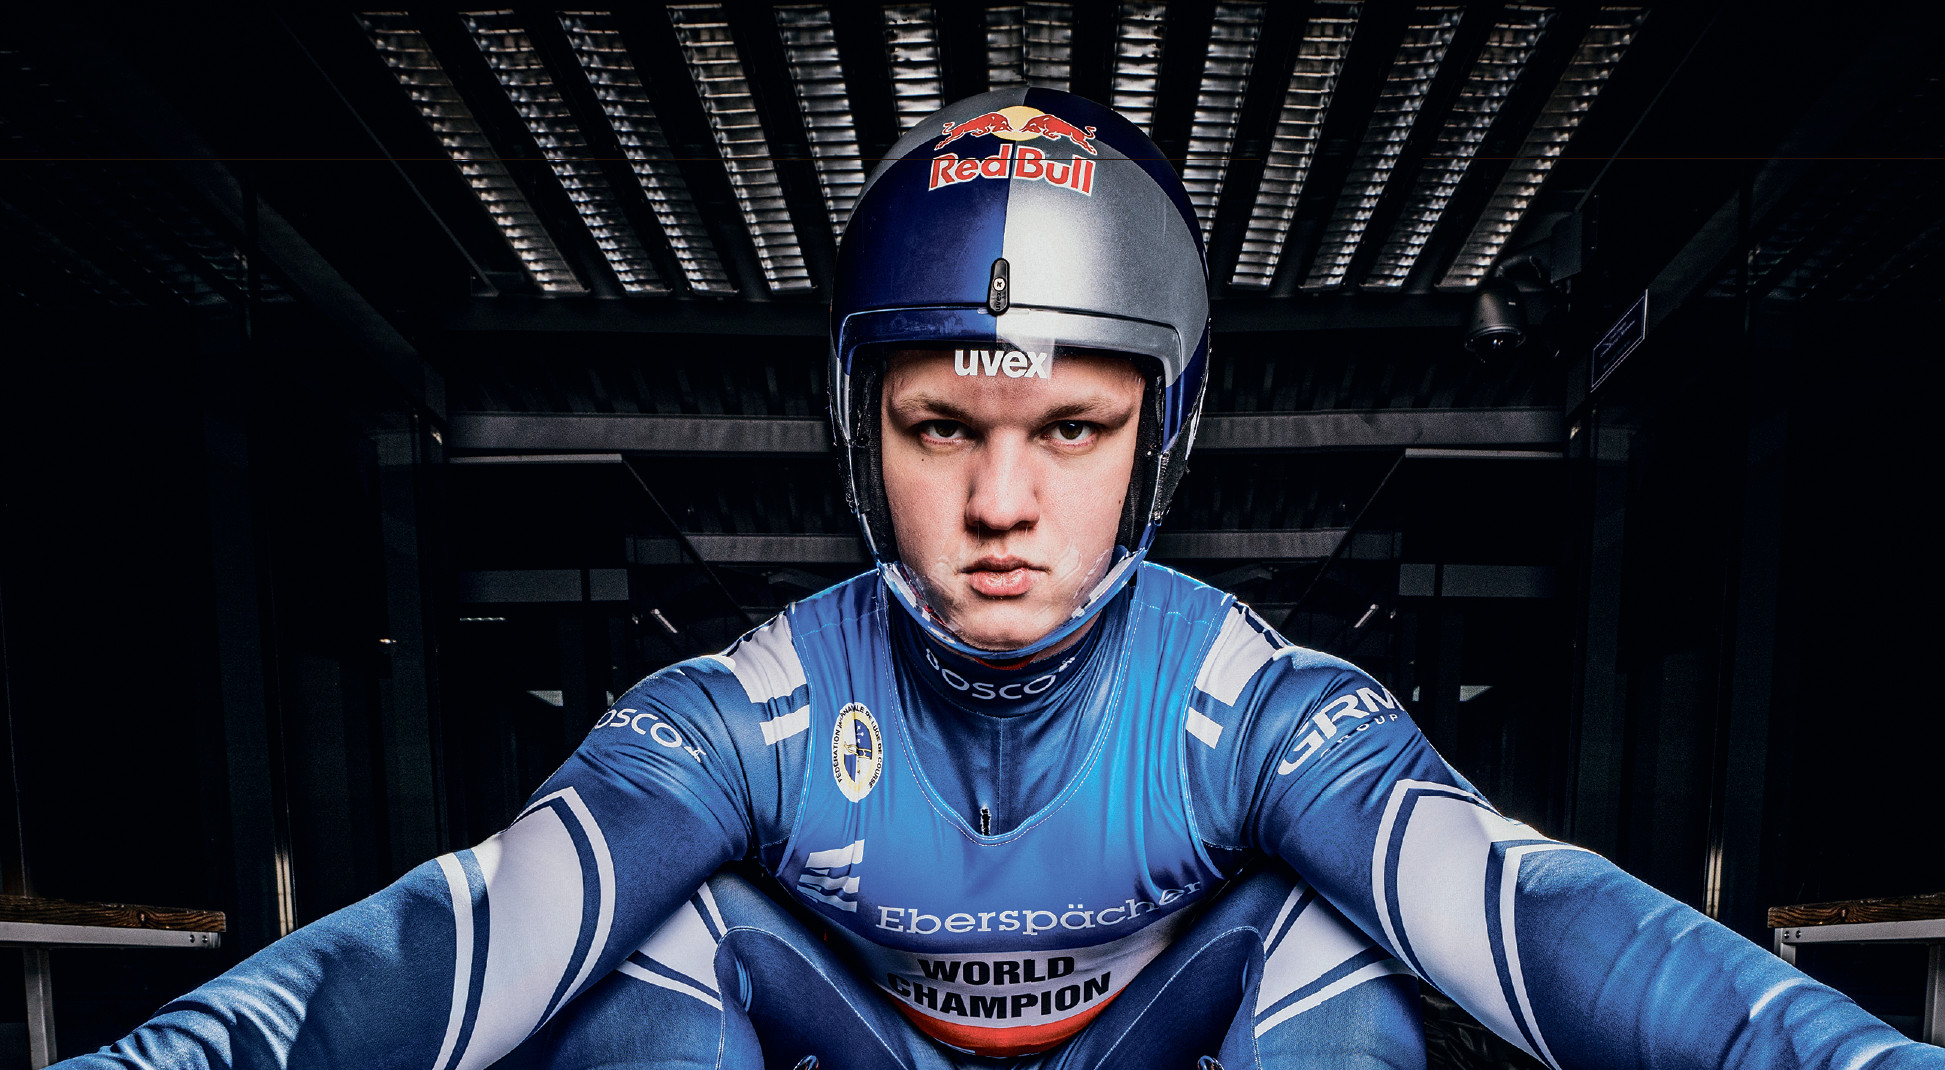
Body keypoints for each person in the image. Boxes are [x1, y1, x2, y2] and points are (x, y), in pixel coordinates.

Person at [56, 90, 1940, 1070]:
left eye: (1072, 430)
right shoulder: (751, 705)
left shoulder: (1248, 699)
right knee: (638, 943)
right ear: (858, 431)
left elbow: (1527, 910)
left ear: (1159, 436)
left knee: (1345, 935)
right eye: (942, 424)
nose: (1001, 502)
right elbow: (476, 930)